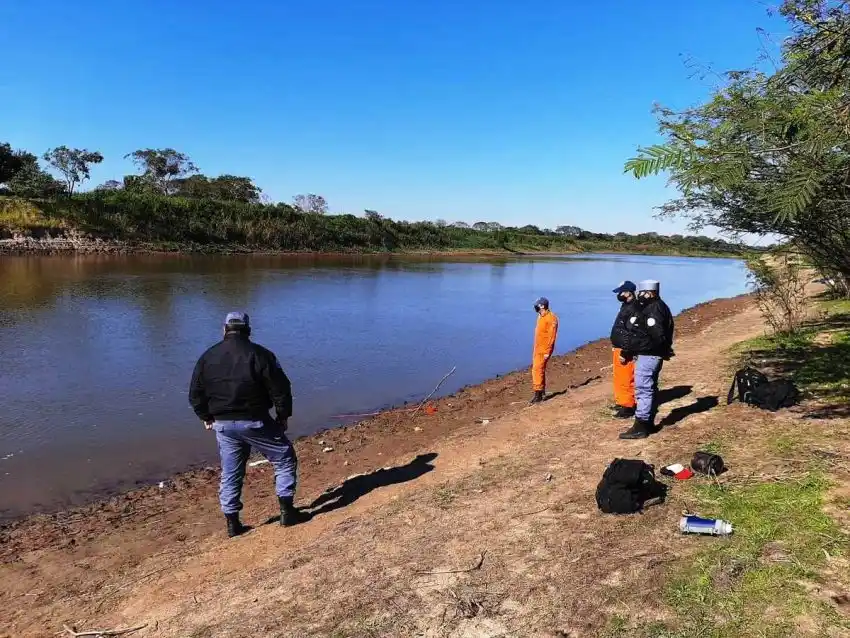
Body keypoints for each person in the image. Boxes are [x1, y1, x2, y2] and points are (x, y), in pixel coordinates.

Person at [189, 312, 309, 537]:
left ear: (224, 329)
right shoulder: (261, 355)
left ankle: (232, 524)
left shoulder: (208, 357)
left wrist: (206, 417)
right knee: (284, 458)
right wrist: (283, 416)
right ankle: (287, 512)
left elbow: (195, 393)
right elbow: (281, 389)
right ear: (248, 330)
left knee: (231, 472)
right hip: (255, 421)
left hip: (223, 425)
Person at [618, 280, 675, 440]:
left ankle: (641, 425)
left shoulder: (653, 309)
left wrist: (629, 350)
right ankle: (646, 422)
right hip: (653, 354)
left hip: (649, 355)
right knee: (650, 388)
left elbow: (651, 335)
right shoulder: (660, 307)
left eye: (642, 292)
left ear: (650, 292)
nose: (640, 296)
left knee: (643, 389)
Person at [609, 281, 638, 419]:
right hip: (618, 346)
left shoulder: (634, 308)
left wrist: (625, 352)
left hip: (624, 349)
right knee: (619, 377)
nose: (619, 295)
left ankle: (629, 406)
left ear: (628, 292)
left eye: (621, 292)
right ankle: (621, 401)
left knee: (626, 377)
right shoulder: (626, 305)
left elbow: (631, 333)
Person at [530, 297, 559, 404]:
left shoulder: (551, 318)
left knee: (537, 370)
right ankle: (541, 391)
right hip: (538, 348)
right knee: (538, 369)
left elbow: (552, 336)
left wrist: (547, 351)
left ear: (542, 306)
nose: (535, 306)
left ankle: (538, 394)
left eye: (537, 304)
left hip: (544, 349)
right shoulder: (540, 316)